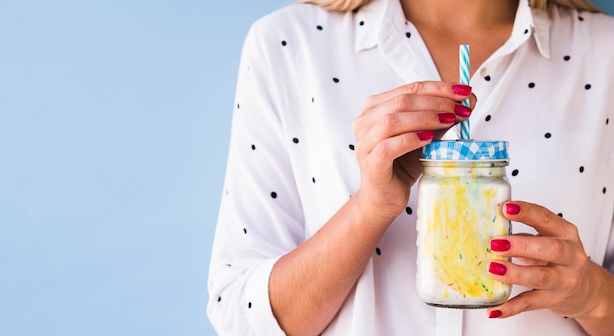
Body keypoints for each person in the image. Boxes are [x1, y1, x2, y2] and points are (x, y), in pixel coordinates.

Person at [207, 0, 614, 334]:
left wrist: (594, 296)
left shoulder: (604, 55)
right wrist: (370, 207)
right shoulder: (289, 45)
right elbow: (241, 318)